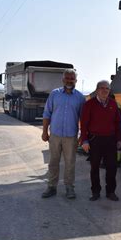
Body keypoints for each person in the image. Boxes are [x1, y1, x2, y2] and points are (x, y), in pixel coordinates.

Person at [41, 69, 85, 199]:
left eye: (72, 79)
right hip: (55, 135)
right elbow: (47, 113)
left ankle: (69, 188)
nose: (69, 81)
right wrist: (44, 132)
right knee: (53, 162)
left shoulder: (80, 98)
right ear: (63, 80)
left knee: (70, 163)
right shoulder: (54, 94)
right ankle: (51, 187)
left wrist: (82, 136)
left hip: (71, 137)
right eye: (67, 78)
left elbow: (83, 118)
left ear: (76, 81)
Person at [80, 80, 121, 201]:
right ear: (97, 90)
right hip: (95, 140)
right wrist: (84, 141)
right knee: (94, 167)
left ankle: (111, 192)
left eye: (107, 89)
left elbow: (117, 123)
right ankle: (95, 192)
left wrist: (119, 139)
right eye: (102, 88)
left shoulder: (114, 104)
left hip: (110, 140)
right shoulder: (89, 104)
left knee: (112, 167)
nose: (105, 91)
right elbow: (84, 124)